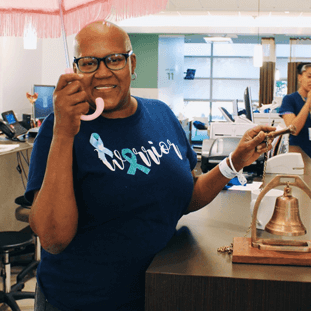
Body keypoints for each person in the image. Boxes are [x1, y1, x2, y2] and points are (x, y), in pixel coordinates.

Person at [25, 20, 275, 311]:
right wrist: (64, 132)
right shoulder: (60, 128)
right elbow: (53, 239)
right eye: (90, 62)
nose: (103, 71)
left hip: (159, 292)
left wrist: (236, 161)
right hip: (81, 300)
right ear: (76, 69)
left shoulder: (161, 114)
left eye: (115, 60)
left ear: (131, 63)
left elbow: (186, 197)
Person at [278, 62, 311, 176]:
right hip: (298, 158)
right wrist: (308, 102)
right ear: (300, 78)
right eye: (309, 76)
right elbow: (293, 129)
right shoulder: (289, 99)